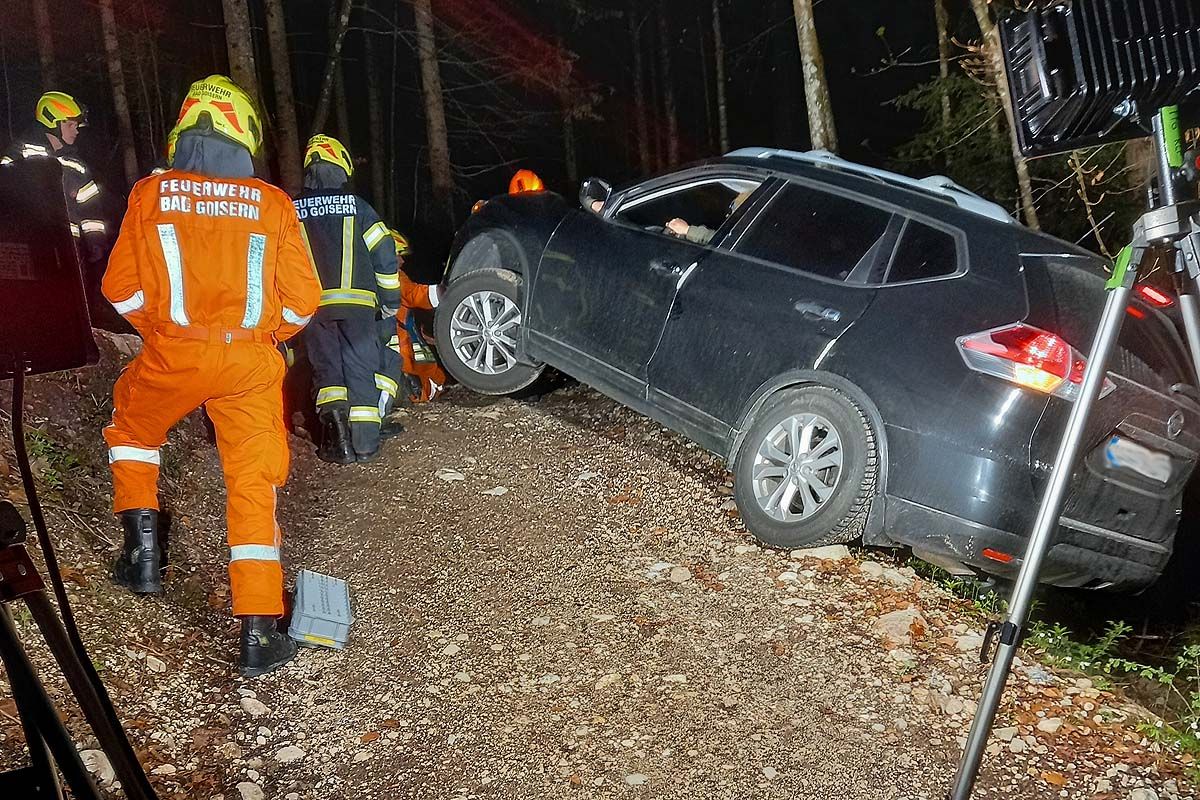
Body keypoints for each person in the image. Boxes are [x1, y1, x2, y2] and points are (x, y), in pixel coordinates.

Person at [101, 75, 321, 678]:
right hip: (249, 362)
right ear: (242, 132)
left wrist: (163, 329)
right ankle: (258, 630)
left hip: (174, 352)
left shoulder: (150, 195)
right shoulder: (271, 203)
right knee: (252, 482)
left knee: (132, 434)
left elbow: (118, 287)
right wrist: (263, 334)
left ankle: (144, 556)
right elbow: (303, 301)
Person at [294, 134, 401, 464]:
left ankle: (338, 442)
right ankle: (365, 444)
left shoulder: (291, 208)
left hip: (313, 307)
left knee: (328, 372)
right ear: (341, 164)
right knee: (360, 368)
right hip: (358, 307)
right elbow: (384, 254)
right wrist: (390, 300)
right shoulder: (359, 207)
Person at [2, 92, 111, 301]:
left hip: (71, 254)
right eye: (71, 125)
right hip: (31, 251)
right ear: (53, 123)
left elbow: (92, 210)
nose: (77, 131)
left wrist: (96, 244)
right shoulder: (18, 156)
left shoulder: (77, 165)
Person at [388, 230, 447, 404]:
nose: (402, 260)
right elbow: (414, 295)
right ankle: (418, 394)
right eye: (398, 254)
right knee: (420, 374)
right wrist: (444, 291)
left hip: (401, 340)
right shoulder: (394, 277)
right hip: (401, 345)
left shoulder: (368, 277)